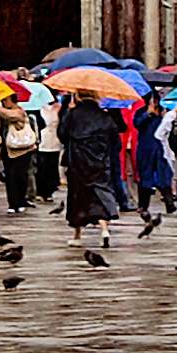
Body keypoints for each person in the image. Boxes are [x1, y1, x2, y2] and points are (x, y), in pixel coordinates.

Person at [57, 89, 120, 246]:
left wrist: (67, 111)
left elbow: (62, 135)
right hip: (100, 160)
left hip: (78, 160)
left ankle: (77, 236)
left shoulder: (72, 114)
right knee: (100, 192)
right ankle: (104, 229)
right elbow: (115, 139)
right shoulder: (104, 115)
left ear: (78, 96)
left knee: (77, 196)